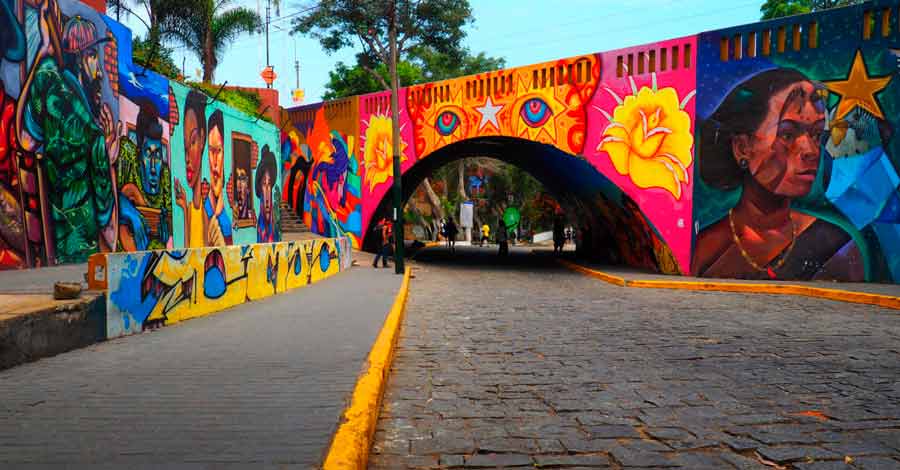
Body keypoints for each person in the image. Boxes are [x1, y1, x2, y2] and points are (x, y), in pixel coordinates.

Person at [692, 68, 863, 281]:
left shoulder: (834, 244)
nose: (811, 150)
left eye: (817, 134)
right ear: (742, 148)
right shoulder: (707, 250)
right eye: (787, 134)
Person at [174, 90, 207, 248]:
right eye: (185, 146)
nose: (187, 158)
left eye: (192, 142)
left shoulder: (205, 211)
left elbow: (208, 249)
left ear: (202, 139)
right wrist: (183, 207)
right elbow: (187, 248)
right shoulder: (189, 207)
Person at [204, 109, 232, 246]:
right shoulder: (203, 210)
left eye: (219, 151)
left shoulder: (226, 216)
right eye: (211, 151)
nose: (214, 161)